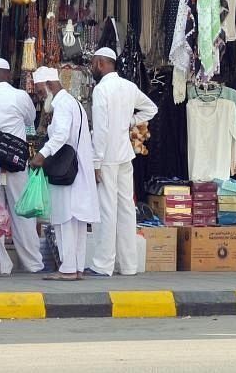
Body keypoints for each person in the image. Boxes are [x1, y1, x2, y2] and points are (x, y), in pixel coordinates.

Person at [86, 47, 158, 277]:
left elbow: (101, 130)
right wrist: (131, 120)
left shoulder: (101, 90)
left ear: (100, 64)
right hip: (125, 155)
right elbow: (151, 108)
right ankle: (129, 266)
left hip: (106, 157)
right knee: (126, 209)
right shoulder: (128, 87)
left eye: (92, 63)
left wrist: (96, 162)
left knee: (107, 210)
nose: (91, 68)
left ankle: (103, 264)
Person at [29, 67, 99, 281]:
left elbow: (60, 135)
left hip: (66, 171)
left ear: (49, 85)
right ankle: (75, 266)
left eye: (40, 90)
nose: (40, 96)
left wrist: (41, 155)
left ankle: (68, 268)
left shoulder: (62, 106)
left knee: (65, 219)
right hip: (76, 170)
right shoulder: (73, 103)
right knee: (76, 221)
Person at [0, 58, 45, 274]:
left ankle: (0, 265)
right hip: (16, 163)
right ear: (9, 75)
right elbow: (30, 120)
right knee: (24, 214)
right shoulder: (19, 96)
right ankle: (33, 264)